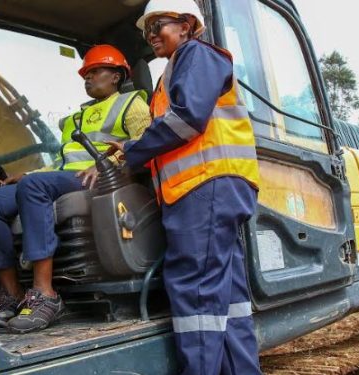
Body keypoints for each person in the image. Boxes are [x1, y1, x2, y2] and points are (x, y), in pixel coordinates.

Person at [112, 1, 263, 373]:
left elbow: (186, 121)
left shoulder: (197, 55)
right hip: (205, 187)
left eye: (158, 25)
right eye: (146, 30)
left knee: (195, 290)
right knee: (226, 298)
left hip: (205, 186)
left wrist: (134, 150)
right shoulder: (173, 71)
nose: (151, 35)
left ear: (186, 25)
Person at [0, 45, 151, 334]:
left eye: (95, 72)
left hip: (100, 179)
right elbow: (63, 161)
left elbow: (146, 142)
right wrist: (29, 174)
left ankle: (46, 295)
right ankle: (13, 296)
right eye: (85, 73)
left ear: (117, 76)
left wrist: (109, 163)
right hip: (66, 177)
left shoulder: (131, 104)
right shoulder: (77, 118)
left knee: (34, 187)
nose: (88, 78)